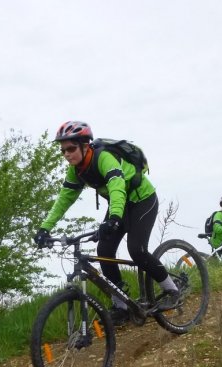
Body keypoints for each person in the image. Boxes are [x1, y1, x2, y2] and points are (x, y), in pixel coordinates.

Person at [33, 121, 179, 326]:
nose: (67, 154)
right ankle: (121, 306)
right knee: (104, 250)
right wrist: (44, 228)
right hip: (119, 207)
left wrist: (114, 219)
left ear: (85, 145)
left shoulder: (104, 158)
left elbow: (117, 187)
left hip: (142, 200)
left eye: (71, 148)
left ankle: (172, 289)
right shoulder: (76, 171)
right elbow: (63, 200)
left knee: (136, 249)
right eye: (63, 150)